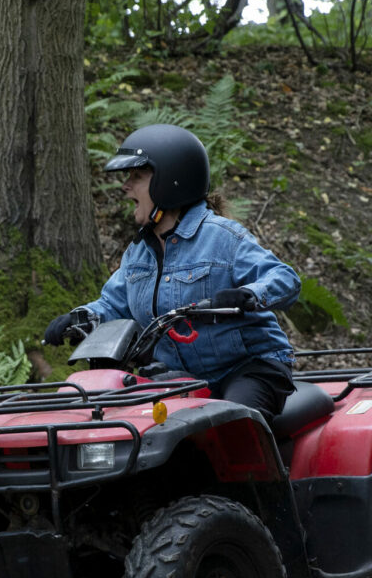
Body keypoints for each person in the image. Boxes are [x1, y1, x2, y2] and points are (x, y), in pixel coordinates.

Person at [43, 124, 301, 424]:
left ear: (169, 183)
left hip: (249, 368)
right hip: (184, 377)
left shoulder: (222, 237)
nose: (125, 187)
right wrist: (79, 318)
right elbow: (113, 305)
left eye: (136, 177)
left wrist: (248, 295)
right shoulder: (139, 253)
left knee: (233, 425)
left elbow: (284, 279)